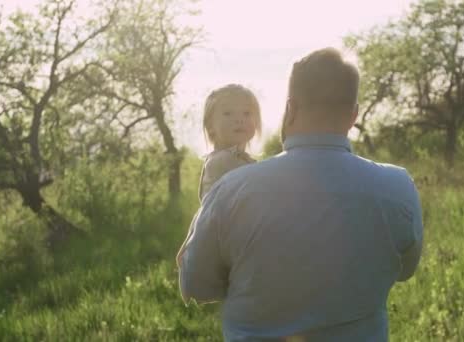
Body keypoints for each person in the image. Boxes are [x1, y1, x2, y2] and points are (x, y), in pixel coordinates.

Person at [178, 48, 423, 341]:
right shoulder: (398, 186)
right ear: (353, 116)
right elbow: (405, 271)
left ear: (290, 109)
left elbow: (198, 286)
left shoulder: (231, 189)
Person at [176, 84, 262, 265]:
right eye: (228, 114)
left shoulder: (239, 160)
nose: (239, 119)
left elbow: (204, 209)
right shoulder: (223, 161)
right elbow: (210, 209)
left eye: (246, 113)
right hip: (228, 244)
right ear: (211, 127)